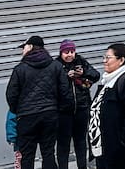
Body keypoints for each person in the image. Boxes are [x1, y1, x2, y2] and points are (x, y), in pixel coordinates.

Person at [6, 36, 74, 169]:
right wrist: (57, 110)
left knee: (27, 155)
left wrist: (18, 110)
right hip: (50, 115)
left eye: (24, 47)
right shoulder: (56, 66)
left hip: (26, 117)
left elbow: (11, 95)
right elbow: (65, 92)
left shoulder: (20, 69)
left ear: (30, 47)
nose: (22, 50)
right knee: (48, 152)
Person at [88, 43, 125, 169]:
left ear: (121, 60)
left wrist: (123, 144)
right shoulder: (107, 82)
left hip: (120, 154)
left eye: (108, 58)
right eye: (104, 57)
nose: (104, 61)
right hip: (104, 151)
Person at [55, 39, 99, 169]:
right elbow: (51, 83)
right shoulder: (56, 65)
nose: (69, 55)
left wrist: (84, 73)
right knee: (63, 143)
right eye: (66, 52)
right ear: (61, 53)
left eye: (72, 51)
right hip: (63, 111)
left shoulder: (81, 61)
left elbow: (96, 75)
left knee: (80, 141)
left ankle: (82, 166)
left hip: (81, 108)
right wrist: (65, 76)